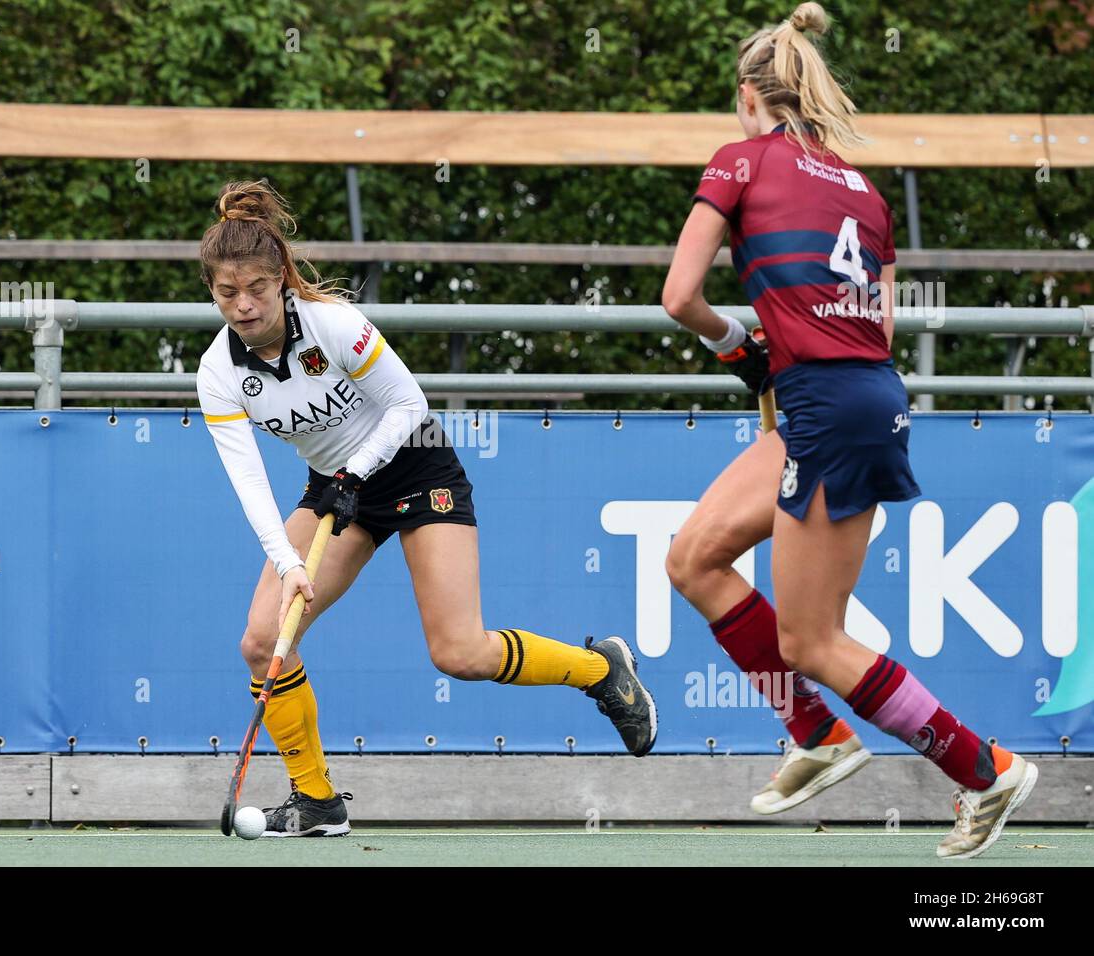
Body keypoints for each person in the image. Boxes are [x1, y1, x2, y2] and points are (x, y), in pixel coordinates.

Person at [660, 2, 1037, 859]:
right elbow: (883, 330)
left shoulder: (738, 160)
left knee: (812, 640)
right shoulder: (865, 191)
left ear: (751, 99)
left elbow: (680, 296)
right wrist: (782, 362)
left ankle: (986, 768)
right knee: (692, 558)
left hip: (824, 409)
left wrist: (738, 347)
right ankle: (818, 737)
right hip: (852, 393)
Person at [196, 180, 657, 837]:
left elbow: (410, 404)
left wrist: (356, 470)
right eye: (225, 293)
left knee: (460, 653)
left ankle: (601, 668)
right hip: (335, 489)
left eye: (256, 290)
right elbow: (248, 482)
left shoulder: (332, 326)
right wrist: (287, 560)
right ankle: (317, 802)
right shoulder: (217, 371)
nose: (242, 306)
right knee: (264, 638)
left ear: (281, 279)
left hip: (416, 464)